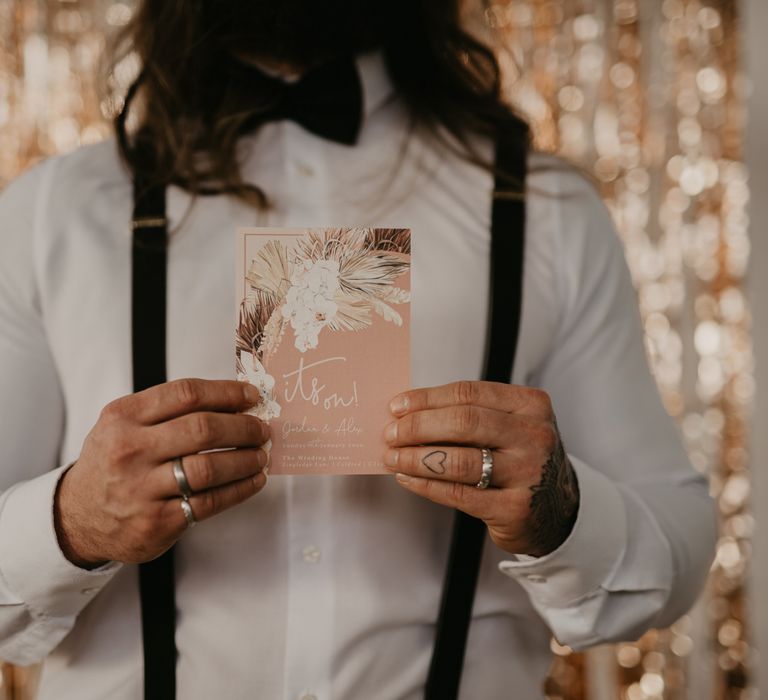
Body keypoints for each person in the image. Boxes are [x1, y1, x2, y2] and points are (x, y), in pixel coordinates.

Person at [0, 1, 716, 699]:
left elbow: (676, 550)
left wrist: (562, 510)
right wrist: (71, 521)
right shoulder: (51, 214)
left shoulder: (544, 211)